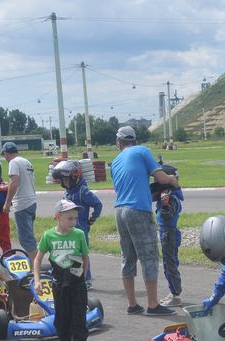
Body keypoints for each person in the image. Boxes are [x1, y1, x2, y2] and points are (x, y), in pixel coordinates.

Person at [109, 125, 180, 316]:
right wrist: (172, 179)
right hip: (138, 210)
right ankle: (153, 304)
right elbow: (160, 178)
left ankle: (132, 304)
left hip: (119, 210)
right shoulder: (142, 151)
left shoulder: (115, 162)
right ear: (135, 140)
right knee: (149, 256)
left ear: (119, 143)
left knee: (128, 257)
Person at [33, 200, 91, 341]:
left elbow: (85, 258)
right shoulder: (48, 236)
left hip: (77, 285)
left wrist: (83, 277)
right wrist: (37, 280)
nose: (73, 222)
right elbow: (37, 260)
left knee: (79, 318)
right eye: (69, 218)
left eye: (75, 218)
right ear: (58, 217)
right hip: (59, 284)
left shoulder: (79, 234)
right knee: (62, 317)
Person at [51, 160, 102, 288]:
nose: (65, 182)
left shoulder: (83, 191)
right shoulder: (66, 192)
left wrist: (92, 218)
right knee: (68, 254)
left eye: (67, 180)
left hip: (80, 229)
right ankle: (71, 279)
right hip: (67, 230)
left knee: (81, 255)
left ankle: (86, 279)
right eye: (63, 180)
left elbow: (98, 204)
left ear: (75, 178)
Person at [152, 163, 184, 307]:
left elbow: (167, 215)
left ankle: (175, 295)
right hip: (167, 233)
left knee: (170, 264)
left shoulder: (171, 197)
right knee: (168, 263)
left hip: (169, 233)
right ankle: (173, 292)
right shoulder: (168, 195)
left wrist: (164, 204)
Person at [1, 141, 37, 255]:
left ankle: (35, 263)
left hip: (22, 203)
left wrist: (7, 203)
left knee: (25, 238)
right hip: (32, 201)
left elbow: (14, 183)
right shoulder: (26, 162)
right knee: (29, 235)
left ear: (6, 153)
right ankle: (34, 260)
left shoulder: (13, 162)